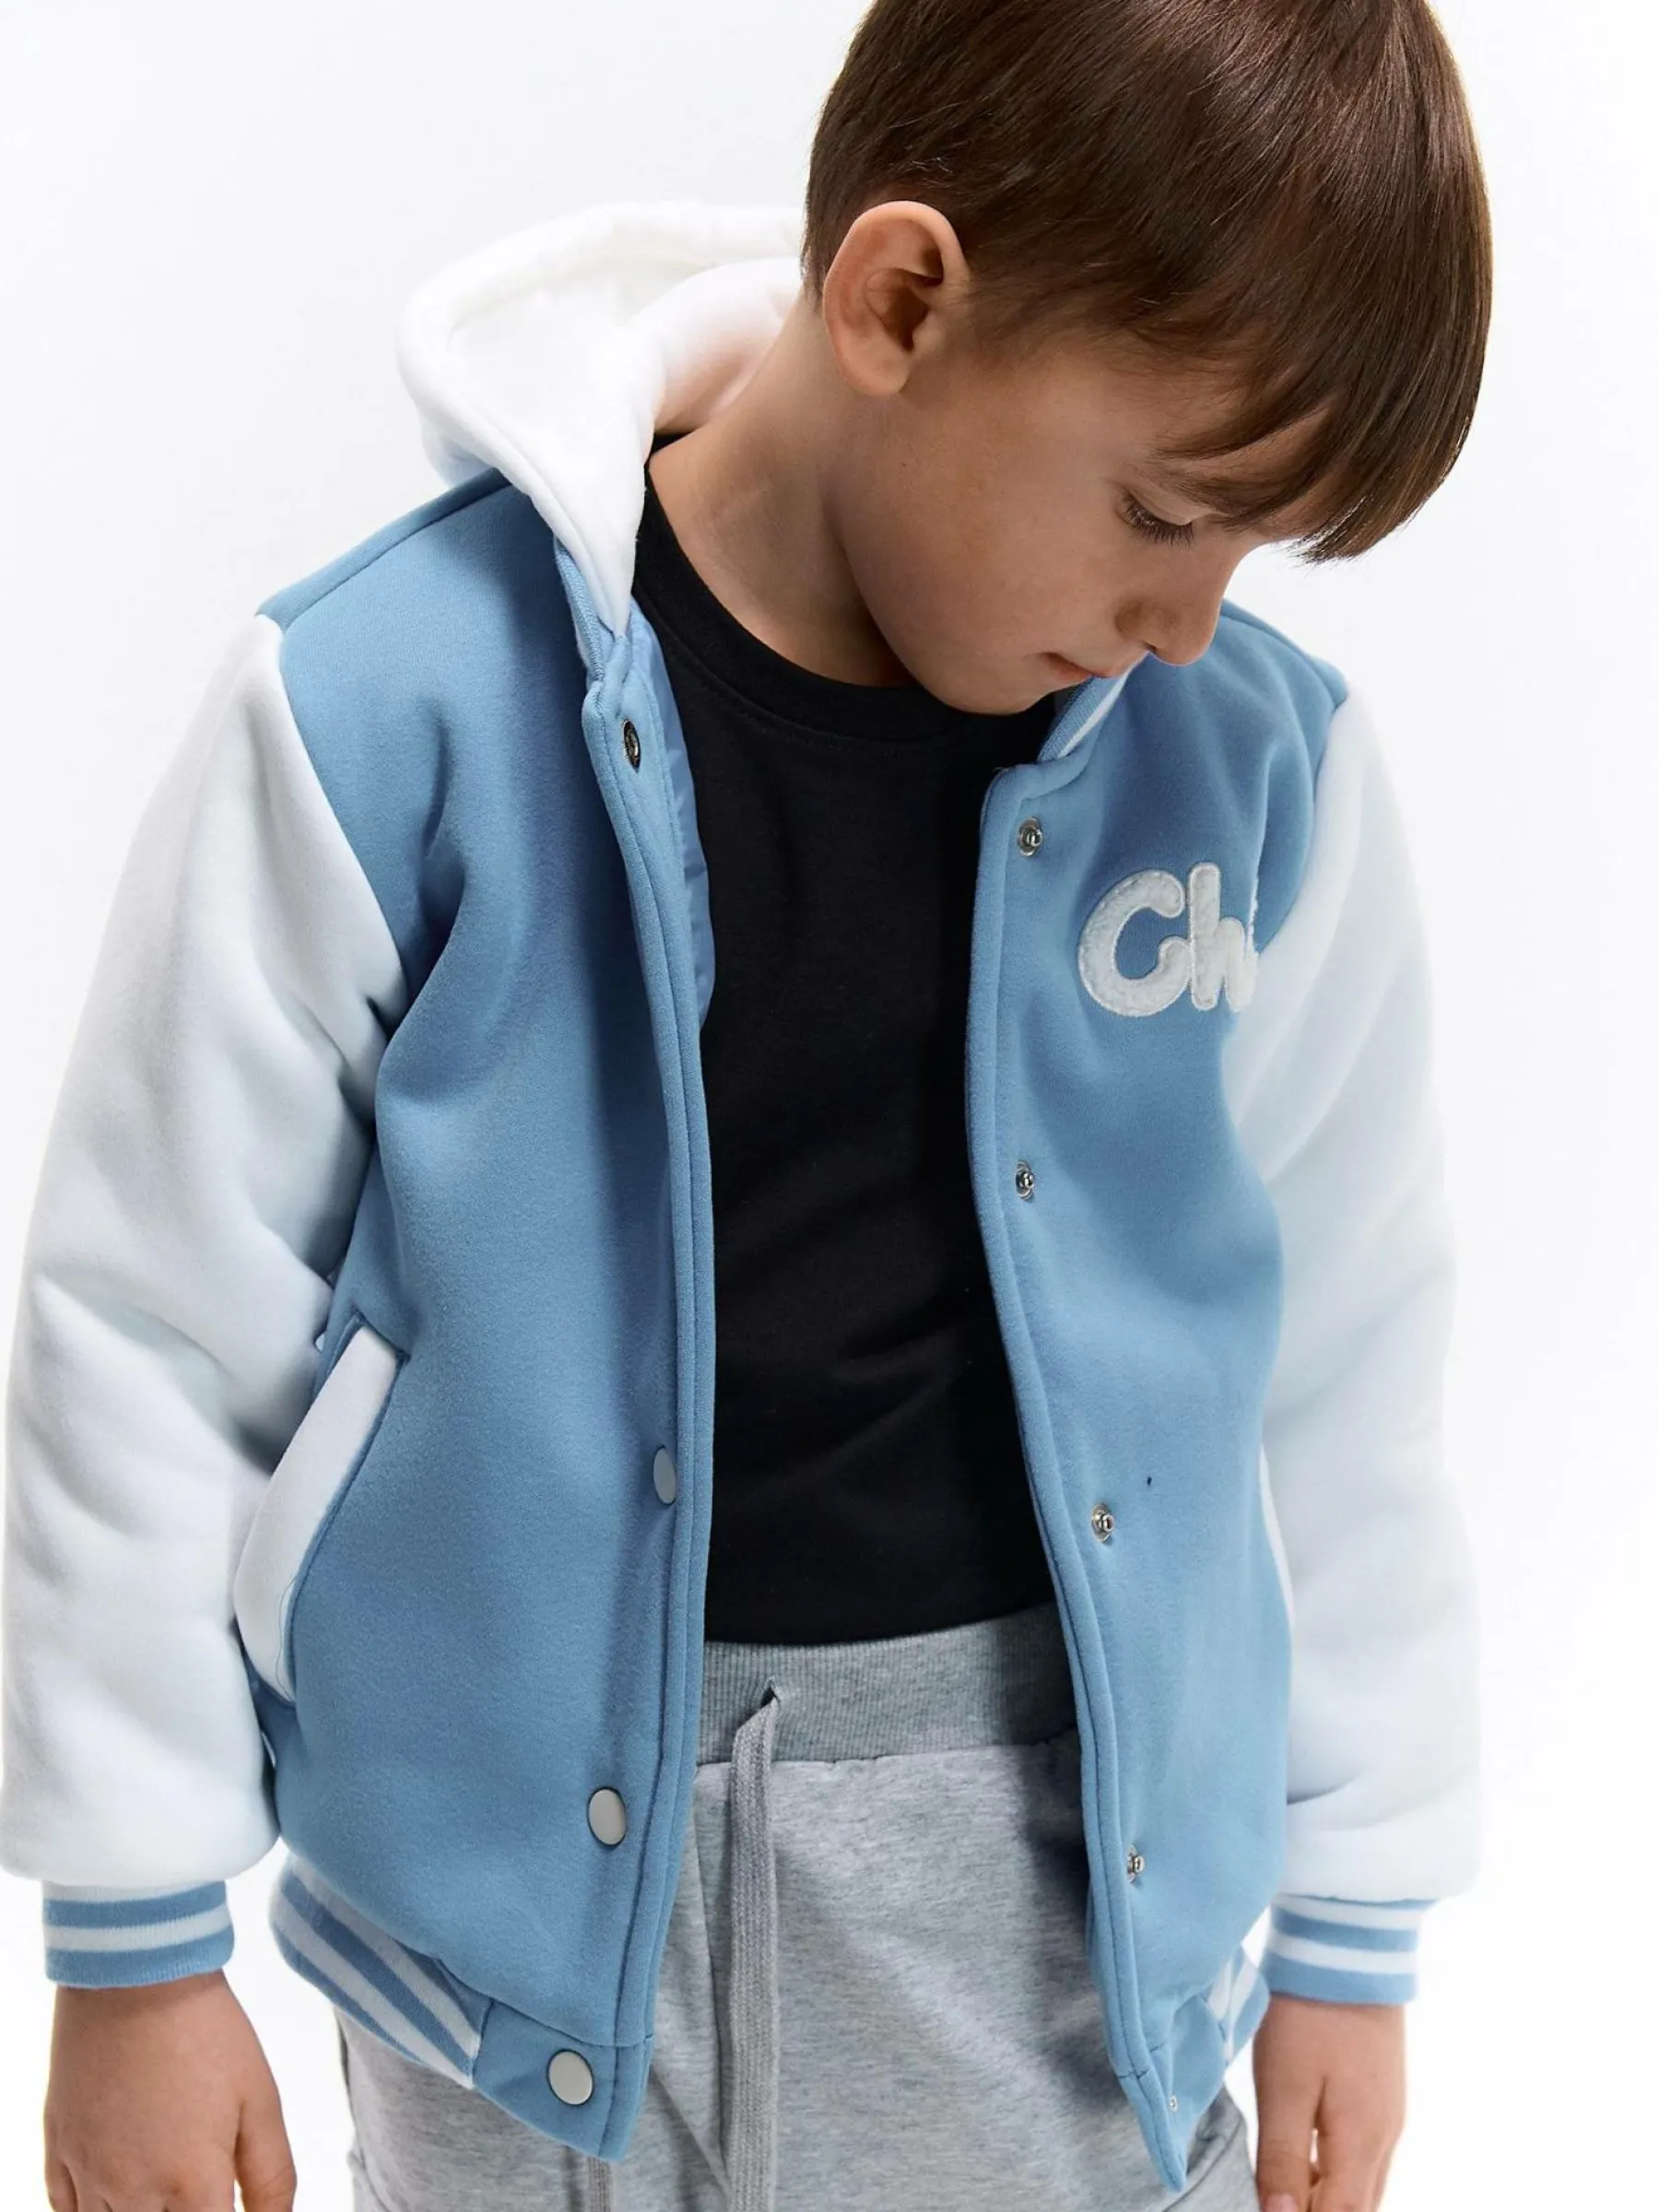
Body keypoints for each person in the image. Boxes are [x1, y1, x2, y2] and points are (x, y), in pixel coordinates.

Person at [0, 2, 1490, 2207]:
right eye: (1166, 513)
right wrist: (135, 1938)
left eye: (1248, 558)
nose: (1187, 625)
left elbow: (1356, 1359)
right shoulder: (385, 710)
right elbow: (144, 1326)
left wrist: (1357, 1916)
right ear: (902, 301)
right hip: (498, 1915)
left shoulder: (1257, 783)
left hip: (1047, 1891)